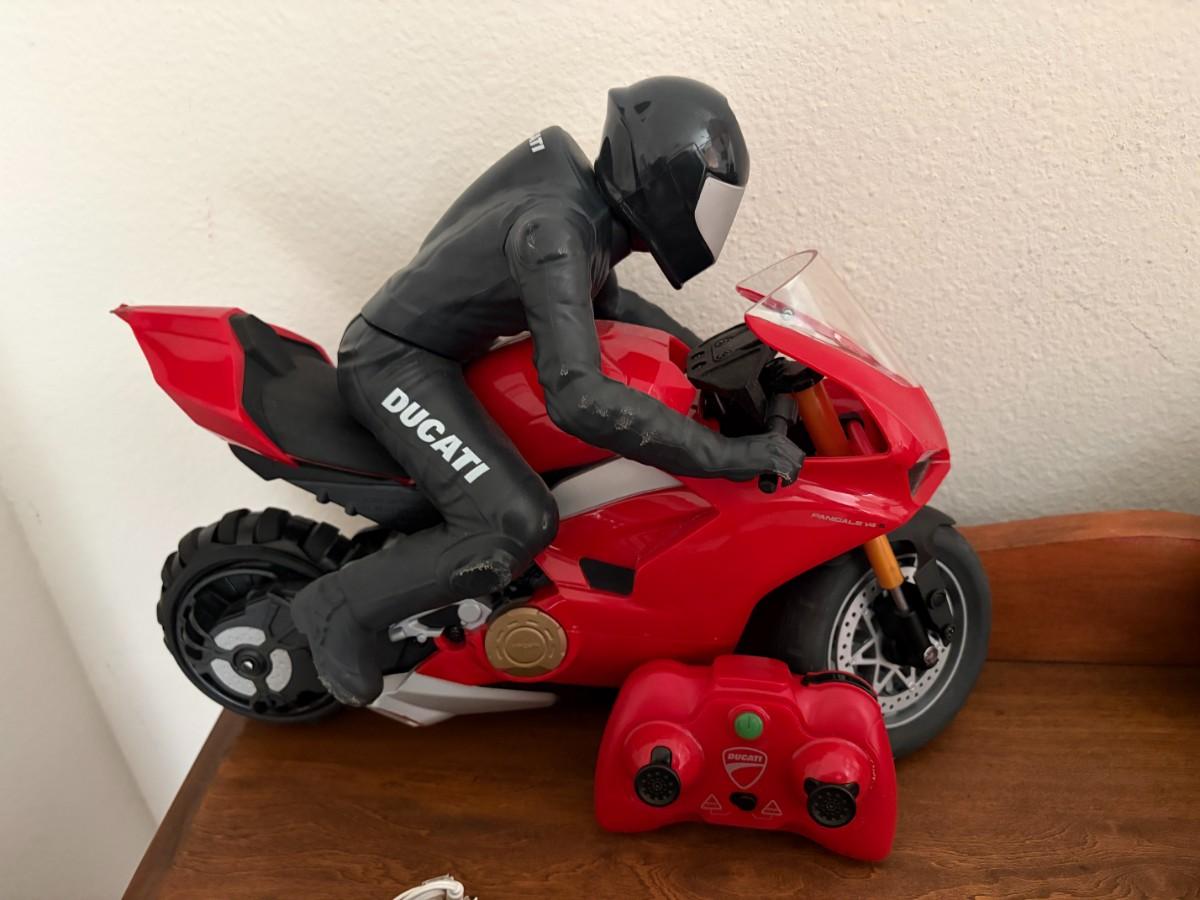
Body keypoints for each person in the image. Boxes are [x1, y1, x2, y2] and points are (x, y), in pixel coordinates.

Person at [291, 76, 805, 706]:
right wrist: (722, 456)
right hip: (393, 362)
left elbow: (617, 307)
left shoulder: (582, 213)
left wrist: (727, 360)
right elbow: (577, 397)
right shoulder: (555, 233)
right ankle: (336, 605)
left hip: (440, 357)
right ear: (668, 183)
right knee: (515, 521)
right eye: (709, 199)